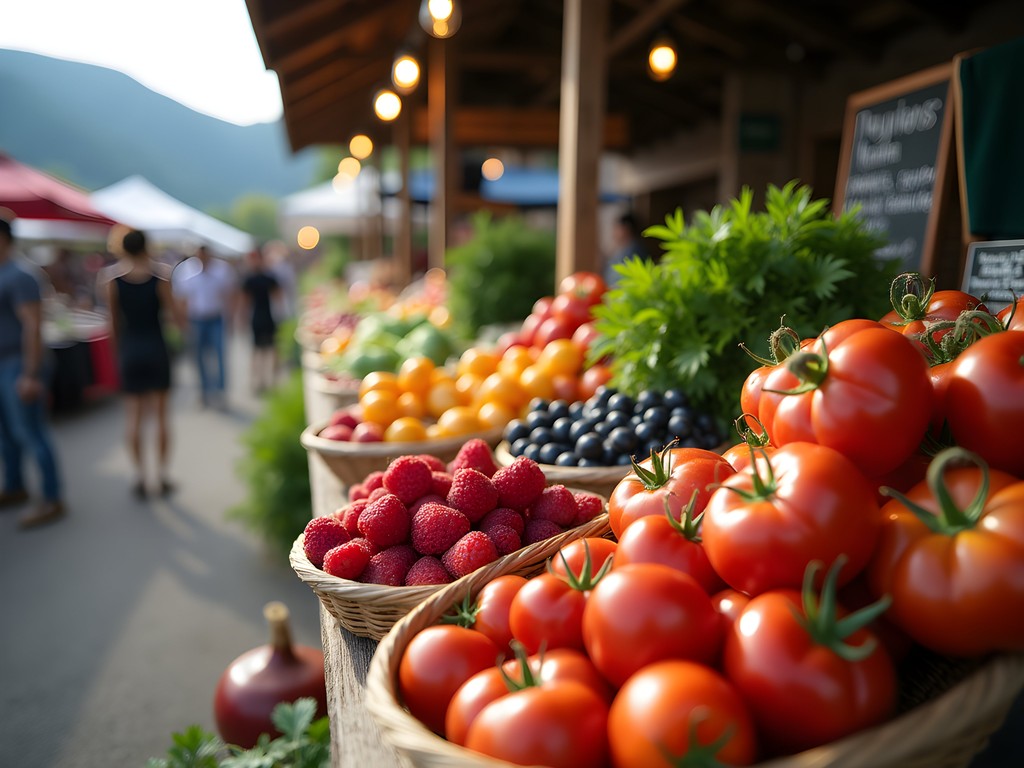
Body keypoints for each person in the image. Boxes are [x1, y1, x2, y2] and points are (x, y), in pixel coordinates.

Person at [102, 229, 185, 498]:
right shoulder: (160, 277)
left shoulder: (112, 280)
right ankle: (161, 476)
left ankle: (139, 475)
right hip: (156, 348)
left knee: (134, 418)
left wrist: (119, 356)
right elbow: (175, 317)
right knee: (161, 417)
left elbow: (113, 325)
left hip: (131, 350)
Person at [0, 216, 66, 528]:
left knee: (30, 431)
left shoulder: (20, 276)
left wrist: (29, 373)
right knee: (7, 434)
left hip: (18, 364)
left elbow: (33, 326)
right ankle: (15, 486)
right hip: (5, 363)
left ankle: (52, 497)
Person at [172, 243, 236, 409]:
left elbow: (229, 295)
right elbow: (180, 299)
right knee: (199, 357)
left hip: (216, 318)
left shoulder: (222, 270)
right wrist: (183, 322)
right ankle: (204, 391)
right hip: (196, 320)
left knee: (219, 356)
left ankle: (219, 392)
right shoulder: (186, 271)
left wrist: (231, 318)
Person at [239, 246, 281, 394]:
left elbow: (278, 298)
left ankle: (268, 380)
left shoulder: (269, 278)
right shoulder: (250, 279)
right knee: (257, 350)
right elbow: (245, 301)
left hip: (268, 316)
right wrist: (242, 318)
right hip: (257, 317)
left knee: (269, 350)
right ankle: (257, 380)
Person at [604, 211, 651, 287]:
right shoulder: (623, 248)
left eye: (617, 228)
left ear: (626, 229)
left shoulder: (634, 250)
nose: (613, 232)